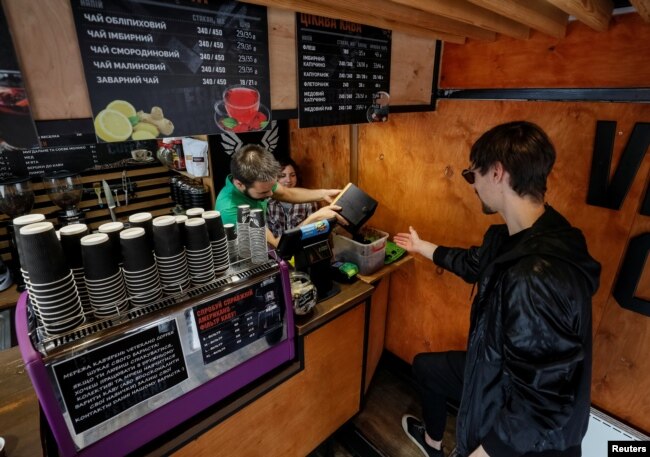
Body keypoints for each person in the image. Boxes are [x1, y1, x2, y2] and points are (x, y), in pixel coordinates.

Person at [394, 121, 601, 457]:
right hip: (497, 371)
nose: (471, 184)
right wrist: (421, 247)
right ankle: (431, 445)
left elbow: (541, 405)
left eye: (470, 175)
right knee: (427, 368)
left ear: (497, 173)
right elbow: (472, 264)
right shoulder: (521, 235)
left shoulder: (536, 275)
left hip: (533, 441)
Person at [215, 144, 344, 247]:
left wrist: (324, 194)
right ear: (239, 184)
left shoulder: (261, 183)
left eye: (272, 187)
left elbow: (286, 193)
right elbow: (276, 245)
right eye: (264, 192)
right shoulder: (230, 210)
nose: (271, 194)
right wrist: (315, 218)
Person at [266, 157, 318, 239]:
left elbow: (313, 231)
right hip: (276, 248)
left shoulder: (308, 201)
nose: (289, 180)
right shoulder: (268, 201)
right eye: (283, 176)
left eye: (292, 175)